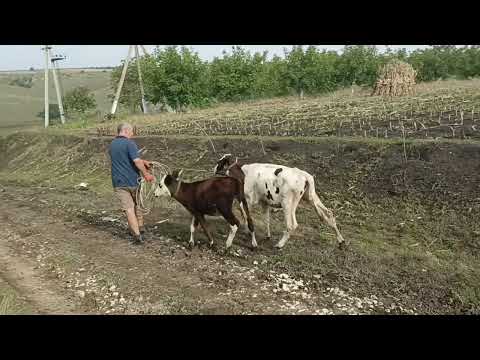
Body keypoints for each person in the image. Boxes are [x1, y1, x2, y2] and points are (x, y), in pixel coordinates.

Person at [109, 123, 154, 245]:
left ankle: (137, 234)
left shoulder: (112, 144)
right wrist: (146, 174)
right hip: (133, 181)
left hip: (118, 183)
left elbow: (124, 159)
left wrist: (143, 161)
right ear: (126, 130)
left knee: (129, 208)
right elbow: (136, 161)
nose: (132, 134)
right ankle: (140, 228)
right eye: (132, 132)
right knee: (137, 205)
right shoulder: (130, 143)